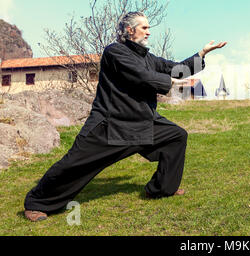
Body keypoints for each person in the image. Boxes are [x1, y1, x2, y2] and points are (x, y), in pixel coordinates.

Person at [23, 11, 227, 222]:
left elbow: (175, 69)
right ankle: (37, 202)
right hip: (111, 124)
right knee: (75, 164)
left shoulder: (147, 57)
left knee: (176, 136)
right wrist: (169, 82)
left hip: (142, 122)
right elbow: (140, 76)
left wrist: (202, 53)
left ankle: (161, 188)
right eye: (144, 28)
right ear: (130, 30)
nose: (149, 32)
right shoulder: (114, 52)